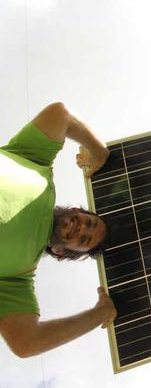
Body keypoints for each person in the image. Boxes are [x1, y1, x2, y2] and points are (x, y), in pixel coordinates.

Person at [0, 102, 116, 358]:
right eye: (89, 221)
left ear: (62, 252)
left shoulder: (18, 278)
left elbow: (26, 343)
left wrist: (100, 313)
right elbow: (59, 115)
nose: (81, 227)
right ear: (77, 209)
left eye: (84, 239)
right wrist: (100, 152)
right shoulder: (38, 164)